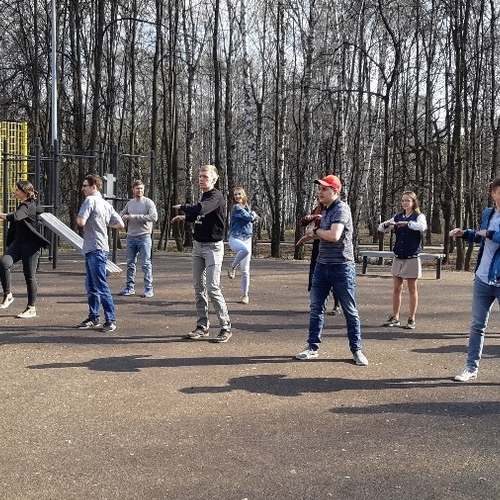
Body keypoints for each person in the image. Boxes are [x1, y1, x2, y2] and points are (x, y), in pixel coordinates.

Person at [294, 174, 368, 365]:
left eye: (324, 189)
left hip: (342, 267)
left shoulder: (341, 209)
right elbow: (324, 234)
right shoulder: (325, 210)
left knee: (350, 310)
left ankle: (356, 350)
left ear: (335, 191)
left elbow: (334, 235)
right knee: (316, 308)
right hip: (322, 266)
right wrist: (310, 236)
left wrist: (315, 231)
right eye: (319, 189)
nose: (320, 192)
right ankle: (312, 347)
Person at [171, 165, 232, 343]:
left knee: (212, 288)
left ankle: (225, 327)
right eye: (200, 176)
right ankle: (202, 326)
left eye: (205, 176)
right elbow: (201, 216)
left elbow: (202, 210)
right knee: (199, 288)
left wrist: (184, 207)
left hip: (213, 248)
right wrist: (185, 217)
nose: (201, 179)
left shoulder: (216, 196)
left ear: (214, 179)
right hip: (198, 246)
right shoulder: (204, 196)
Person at [449, 177, 500, 382]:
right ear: (493, 193)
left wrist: (489, 233)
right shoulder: (488, 213)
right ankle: (471, 367)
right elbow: (480, 236)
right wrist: (465, 233)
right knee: (477, 325)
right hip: (482, 278)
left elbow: (489, 235)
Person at [76, 174, 124, 332]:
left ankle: (110, 319)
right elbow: (120, 224)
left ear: (94, 187)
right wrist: (104, 224)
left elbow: (81, 222)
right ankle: (93, 317)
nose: (82, 189)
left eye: (85, 186)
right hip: (99, 247)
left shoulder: (90, 200)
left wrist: (82, 219)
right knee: (91, 285)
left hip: (95, 248)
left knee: (100, 285)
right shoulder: (105, 204)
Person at [0, 180, 51, 318]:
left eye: (17, 190)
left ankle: (31, 308)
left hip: (30, 246)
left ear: (25, 192)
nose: (15, 192)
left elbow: (16, 217)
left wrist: (1, 214)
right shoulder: (28, 205)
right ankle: (8, 294)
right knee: (4, 262)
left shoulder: (27, 206)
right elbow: (39, 210)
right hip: (18, 244)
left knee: (29, 277)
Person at [378, 191, 427, 330]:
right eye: (403, 200)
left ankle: (411, 318)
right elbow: (381, 228)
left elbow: (422, 227)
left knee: (412, 289)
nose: (404, 203)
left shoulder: (419, 216)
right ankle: (395, 317)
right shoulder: (397, 216)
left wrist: (408, 224)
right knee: (396, 288)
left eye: (407, 200)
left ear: (413, 202)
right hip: (399, 256)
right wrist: (387, 224)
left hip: (412, 257)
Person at [118, 179, 158, 298]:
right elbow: (121, 214)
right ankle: (129, 287)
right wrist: (122, 217)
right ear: (133, 190)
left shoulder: (148, 203)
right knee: (130, 263)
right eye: (137, 188)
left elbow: (154, 217)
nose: (139, 190)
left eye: (141, 188)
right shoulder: (130, 203)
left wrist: (135, 217)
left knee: (146, 264)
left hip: (144, 237)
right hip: (131, 237)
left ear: (144, 189)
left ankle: (148, 288)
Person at [300, 203, 341, 315]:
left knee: (332, 276)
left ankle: (337, 304)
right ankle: (317, 305)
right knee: (316, 276)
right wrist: (306, 219)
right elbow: (303, 223)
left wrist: (318, 217)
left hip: (331, 246)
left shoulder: (337, 209)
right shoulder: (317, 208)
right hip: (318, 246)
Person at [227, 187, 258, 304]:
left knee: (245, 270)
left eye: (239, 194)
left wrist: (253, 216)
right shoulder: (237, 207)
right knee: (245, 250)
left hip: (247, 239)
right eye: (235, 195)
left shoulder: (246, 207)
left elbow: (253, 220)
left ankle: (245, 295)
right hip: (235, 239)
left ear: (244, 195)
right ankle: (233, 266)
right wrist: (253, 215)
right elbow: (249, 218)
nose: (237, 196)